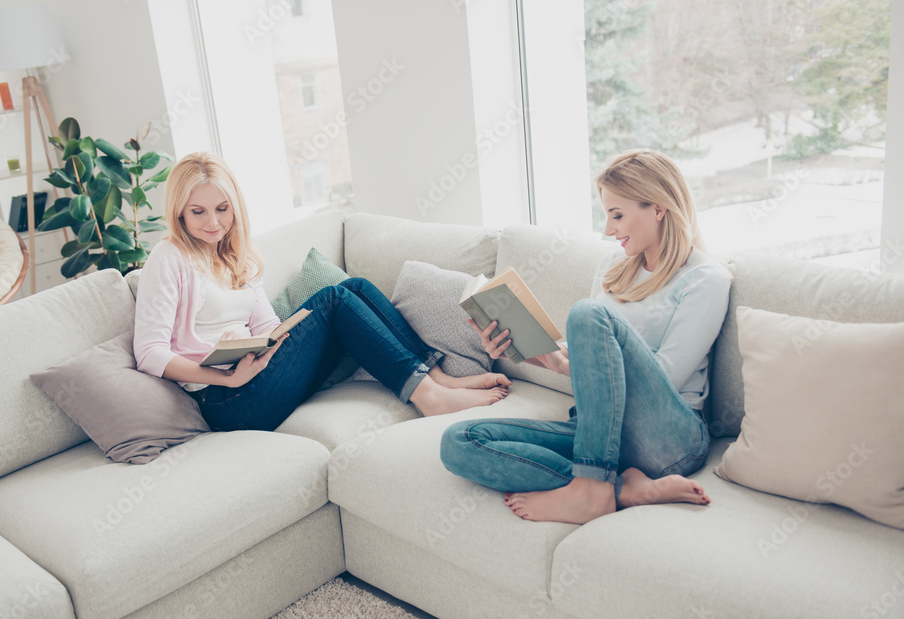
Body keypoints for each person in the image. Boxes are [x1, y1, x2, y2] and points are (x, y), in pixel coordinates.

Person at [440, 149, 732, 525]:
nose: (609, 230)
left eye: (618, 215)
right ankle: (619, 489)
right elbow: (592, 361)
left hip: (669, 439)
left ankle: (591, 489)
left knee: (587, 313)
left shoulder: (705, 278)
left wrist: (563, 362)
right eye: (607, 216)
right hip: (599, 431)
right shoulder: (613, 265)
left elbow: (665, 380)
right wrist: (530, 352)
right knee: (460, 441)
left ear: (658, 208)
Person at [134, 151, 512, 432]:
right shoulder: (168, 257)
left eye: (222, 208)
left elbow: (269, 324)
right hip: (227, 400)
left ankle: (438, 378)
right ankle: (428, 396)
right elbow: (150, 353)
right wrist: (228, 376)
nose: (213, 222)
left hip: (258, 374)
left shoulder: (239, 257)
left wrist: (255, 343)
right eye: (198, 212)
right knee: (336, 299)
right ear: (179, 212)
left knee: (354, 287)